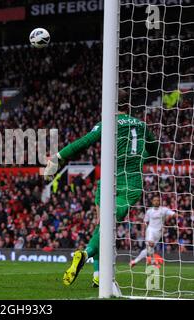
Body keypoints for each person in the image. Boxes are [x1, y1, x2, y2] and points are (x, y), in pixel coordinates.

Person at [44, 89, 159, 287]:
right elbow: (155, 151)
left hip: (106, 182)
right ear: (127, 105)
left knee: (101, 225)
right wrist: (140, 159)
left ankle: (97, 274)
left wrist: (57, 158)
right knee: (108, 226)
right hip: (131, 183)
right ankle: (87, 255)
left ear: (109, 104)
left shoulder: (106, 124)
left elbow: (83, 142)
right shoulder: (141, 125)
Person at [130, 196, 176, 267]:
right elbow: (145, 222)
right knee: (150, 244)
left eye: (157, 200)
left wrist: (177, 215)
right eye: (155, 200)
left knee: (148, 250)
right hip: (150, 230)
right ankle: (152, 262)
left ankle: (135, 261)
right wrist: (143, 230)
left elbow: (173, 214)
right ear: (152, 202)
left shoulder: (164, 210)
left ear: (159, 202)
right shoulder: (149, 211)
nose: (156, 202)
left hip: (158, 233)